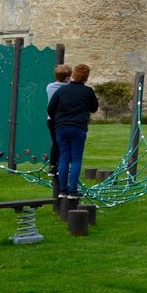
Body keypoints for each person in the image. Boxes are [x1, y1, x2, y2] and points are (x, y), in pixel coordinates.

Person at [47, 63, 99, 199]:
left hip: (62, 127)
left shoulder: (62, 91)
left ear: (73, 76)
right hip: (78, 127)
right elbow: (94, 108)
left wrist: (58, 119)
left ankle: (62, 190)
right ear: (86, 78)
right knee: (76, 158)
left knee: (64, 157)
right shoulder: (88, 91)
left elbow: (51, 108)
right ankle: (73, 190)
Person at [46, 64, 72, 193]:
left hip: (51, 119)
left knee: (54, 142)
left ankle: (52, 165)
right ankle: (62, 166)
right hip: (62, 119)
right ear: (67, 78)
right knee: (64, 144)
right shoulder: (68, 88)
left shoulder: (49, 86)